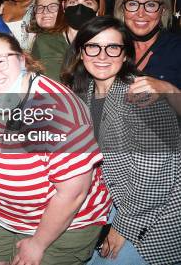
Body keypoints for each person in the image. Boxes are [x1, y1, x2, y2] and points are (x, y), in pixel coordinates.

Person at [0, 32, 110, 265]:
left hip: (66, 223)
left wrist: (38, 243)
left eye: (0, 61)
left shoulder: (60, 110)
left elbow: (72, 193)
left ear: (22, 60)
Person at [64, 17, 181, 265]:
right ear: (81, 53)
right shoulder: (83, 93)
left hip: (159, 212)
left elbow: (155, 177)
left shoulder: (142, 96)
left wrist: (123, 226)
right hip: (116, 198)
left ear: (125, 54)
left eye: (112, 48)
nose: (102, 56)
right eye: (93, 47)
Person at [113, 0, 181, 97]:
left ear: (163, 10)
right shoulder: (110, 45)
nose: (140, 13)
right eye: (132, 4)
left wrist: (169, 90)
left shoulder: (177, 50)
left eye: (150, 5)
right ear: (122, 9)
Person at [32, 0, 105, 81]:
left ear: (98, 10)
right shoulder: (44, 41)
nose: (79, 9)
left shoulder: (104, 47)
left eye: (88, 3)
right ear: (64, 6)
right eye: (73, 2)